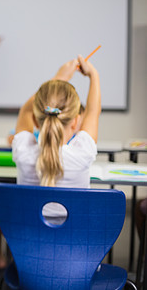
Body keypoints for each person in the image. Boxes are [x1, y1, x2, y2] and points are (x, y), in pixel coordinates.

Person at [12, 55, 100, 221]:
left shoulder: (23, 152)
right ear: (76, 121)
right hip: (78, 244)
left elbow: (25, 110)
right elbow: (94, 112)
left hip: (26, 244)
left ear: (36, 121)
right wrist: (93, 75)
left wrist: (60, 76)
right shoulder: (83, 153)